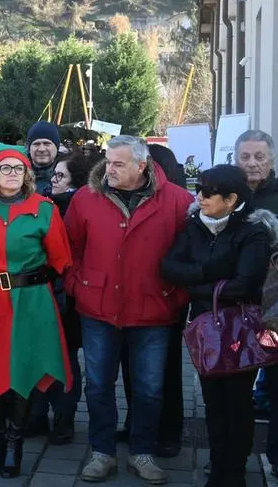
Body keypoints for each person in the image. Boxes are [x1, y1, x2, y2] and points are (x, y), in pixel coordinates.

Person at [64, 135, 193, 484]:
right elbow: (71, 248)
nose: (110, 169)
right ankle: (102, 452)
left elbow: (189, 255)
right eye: (108, 161)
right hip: (98, 308)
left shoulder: (179, 201)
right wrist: (78, 284)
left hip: (153, 310)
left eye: (119, 163)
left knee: (150, 388)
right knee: (99, 386)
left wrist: (174, 295)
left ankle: (142, 451)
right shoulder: (85, 199)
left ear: (142, 165)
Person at [161, 165, 276, 486]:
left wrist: (195, 280)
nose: (199, 197)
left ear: (231, 198)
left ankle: (235, 471)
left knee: (238, 403)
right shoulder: (194, 223)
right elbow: (169, 266)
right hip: (204, 325)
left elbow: (245, 284)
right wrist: (210, 274)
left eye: (208, 192)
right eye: (199, 189)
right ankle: (217, 464)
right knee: (213, 402)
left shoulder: (253, 229)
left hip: (240, 327)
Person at [0, 144, 73, 479]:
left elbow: (60, 259)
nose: (11, 174)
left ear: (27, 173)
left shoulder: (44, 208)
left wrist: (30, 284)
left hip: (31, 301)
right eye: (3, 168)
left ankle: (14, 443)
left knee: (22, 370)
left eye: (17, 168)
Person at [116, 143, 189, 457]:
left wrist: (177, 292)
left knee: (166, 370)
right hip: (130, 296)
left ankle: (169, 430)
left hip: (166, 296)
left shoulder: (177, 198)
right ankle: (137, 423)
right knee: (132, 367)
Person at [21, 152, 97, 445]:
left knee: (64, 361)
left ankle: (64, 418)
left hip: (66, 299)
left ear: (76, 183)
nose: (53, 180)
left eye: (60, 176)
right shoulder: (43, 205)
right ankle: (37, 414)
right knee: (37, 355)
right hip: (39, 294)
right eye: (53, 174)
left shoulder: (76, 211)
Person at [234, 130, 278, 475]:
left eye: (259, 156)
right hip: (235, 310)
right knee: (233, 390)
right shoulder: (225, 194)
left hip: (274, 311)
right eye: (245, 156)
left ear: (271, 159)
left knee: (276, 386)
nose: (252, 163)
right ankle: (232, 459)